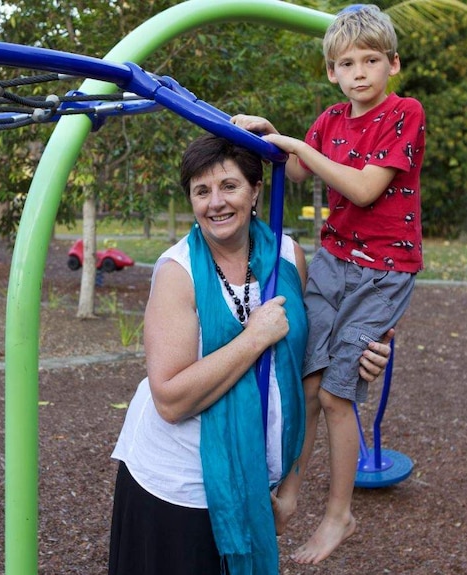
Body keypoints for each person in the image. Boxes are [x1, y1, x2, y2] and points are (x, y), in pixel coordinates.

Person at [108, 133, 394, 575]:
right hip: (176, 486)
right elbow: (169, 399)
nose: (215, 203)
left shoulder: (286, 255)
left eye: (229, 186)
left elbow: (307, 375)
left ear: (256, 189)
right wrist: (253, 338)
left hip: (256, 479)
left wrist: (364, 356)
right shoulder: (177, 272)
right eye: (201, 191)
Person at [231, 4, 425, 565]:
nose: (359, 71)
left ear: (393, 63)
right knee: (309, 381)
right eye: (346, 63)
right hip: (334, 260)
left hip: (383, 270)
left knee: (340, 393)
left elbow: (364, 190)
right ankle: (290, 489)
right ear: (332, 73)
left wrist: (300, 146)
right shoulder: (330, 120)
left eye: (370, 60)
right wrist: (274, 137)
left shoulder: (403, 113)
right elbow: (294, 171)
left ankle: (339, 514)